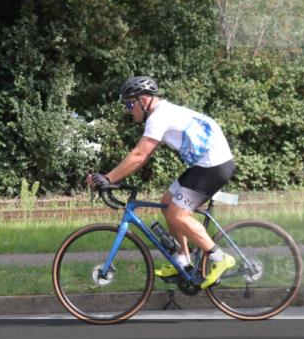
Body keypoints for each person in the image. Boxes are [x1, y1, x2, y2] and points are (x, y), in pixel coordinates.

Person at [86, 76, 236, 288]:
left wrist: (108, 178)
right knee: (168, 202)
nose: (129, 110)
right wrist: (111, 177)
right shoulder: (163, 113)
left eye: (130, 104)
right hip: (205, 163)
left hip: (213, 165)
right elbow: (142, 156)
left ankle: (220, 258)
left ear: (144, 100)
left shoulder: (158, 117)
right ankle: (183, 261)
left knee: (177, 213)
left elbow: (139, 155)